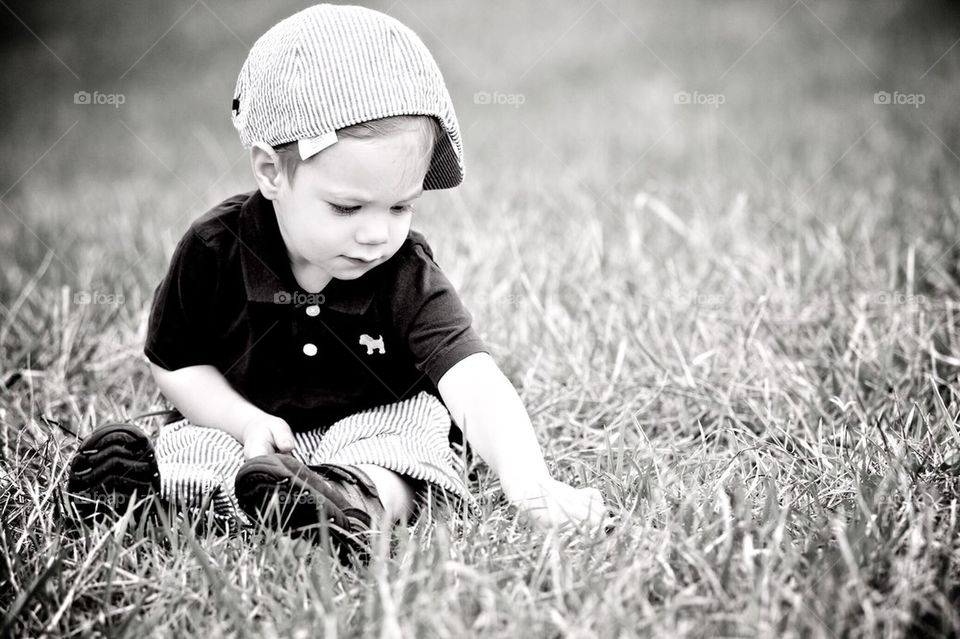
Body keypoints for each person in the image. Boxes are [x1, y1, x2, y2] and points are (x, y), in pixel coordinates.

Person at [66, 3, 605, 558]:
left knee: (410, 443)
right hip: (251, 423)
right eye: (348, 208)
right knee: (200, 444)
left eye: (400, 206)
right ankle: (144, 496)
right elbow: (175, 360)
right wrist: (243, 420)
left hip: (372, 423)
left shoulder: (404, 272)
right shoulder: (215, 248)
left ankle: (347, 501)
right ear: (272, 172)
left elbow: (472, 379)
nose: (377, 235)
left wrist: (529, 482)